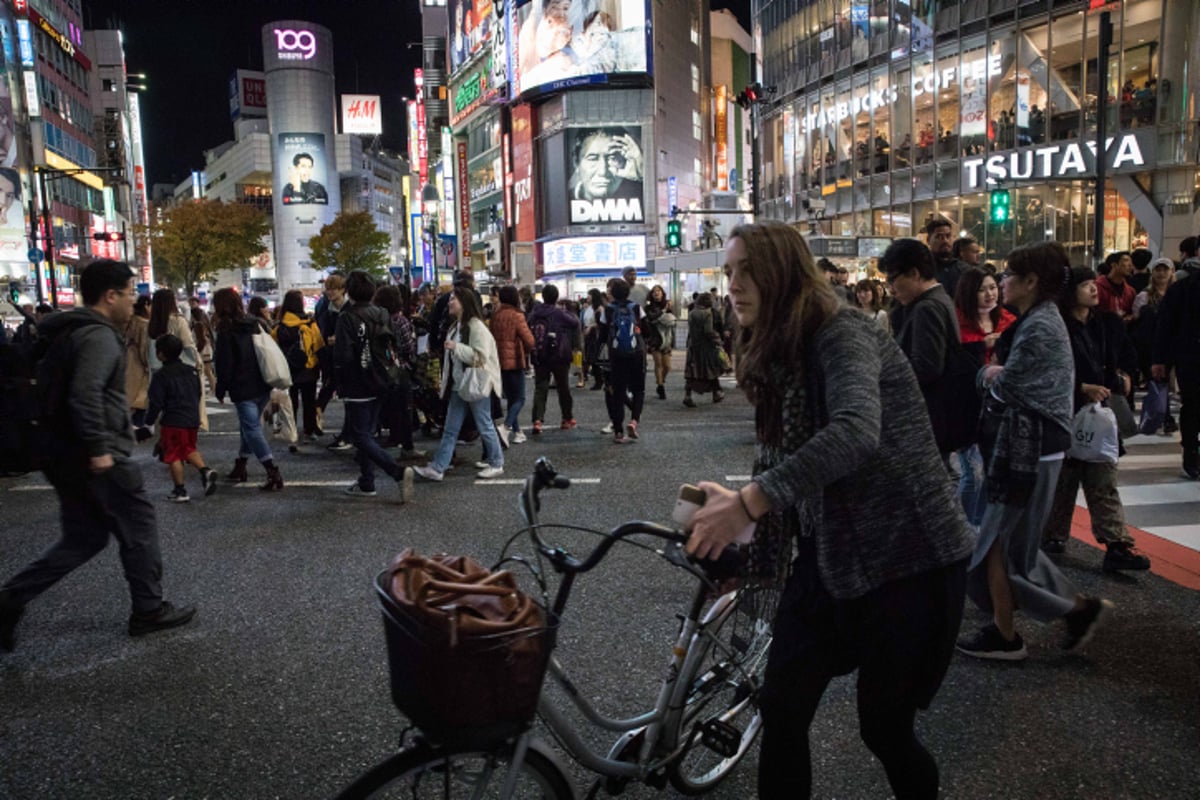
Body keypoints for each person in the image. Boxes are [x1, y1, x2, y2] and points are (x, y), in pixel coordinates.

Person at [684, 221, 972, 799]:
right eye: (729, 271)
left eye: (747, 271)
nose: (733, 284)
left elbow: (855, 432)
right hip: (832, 556)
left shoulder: (842, 332)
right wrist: (739, 519)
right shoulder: (776, 347)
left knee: (885, 728)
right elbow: (780, 459)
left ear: (783, 273)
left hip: (908, 559)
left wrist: (750, 502)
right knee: (782, 706)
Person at [0, 259, 196, 651]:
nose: (132, 301)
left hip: (62, 451)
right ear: (110, 296)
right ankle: (149, 609)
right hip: (96, 455)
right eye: (128, 293)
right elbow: (85, 394)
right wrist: (100, 448)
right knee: (138, 529)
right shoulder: (97, 336)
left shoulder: (66, 330)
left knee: (83, 538)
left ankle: (8, 601)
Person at [957, 242, 1114, 662]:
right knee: (1010, 547)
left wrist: (988, 373)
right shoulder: (1037, 320)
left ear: (1031, 282)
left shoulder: (1041, 325)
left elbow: (1010, 386)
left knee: (997, 544)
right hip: (1031, 447)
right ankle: (1057, 615)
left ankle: (1012, 634)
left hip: (1029, 449)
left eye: (1009, 276)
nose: (1002, 282)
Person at [1040, 267, 1149, 571]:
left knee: (1102, 476)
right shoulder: (1056, 326)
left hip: (1098, 414)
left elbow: (1121, 355)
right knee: (1064, 478)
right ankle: (1052, 534)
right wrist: (1079, 389)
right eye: (1085, 285)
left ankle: (1117, 544)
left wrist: (1121, 377)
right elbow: (1049, 372)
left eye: (1092, 284)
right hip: (1064, 413)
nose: (1092, 289)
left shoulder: (1104, 324)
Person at [334, 271, 416, 500]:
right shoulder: (381, 313)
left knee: (360, 436)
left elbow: (343, 356)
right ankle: (366, 482)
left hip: (357, 382)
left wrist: (338, 382)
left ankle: (397, 472)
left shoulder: (347, 317)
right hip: (383, 378)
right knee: (367, 433)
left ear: (348, 291)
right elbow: (394, 345)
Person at [413, 285, 504, 481]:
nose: (449, 302)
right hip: (459, 384)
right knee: (450, 428)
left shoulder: (476, 327)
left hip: (475, 384)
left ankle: (497, 462)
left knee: (484, 424)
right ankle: (438, 467)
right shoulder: (456, 326)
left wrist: (456, 347)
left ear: (464, 303)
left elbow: (480, 357)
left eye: (454, 298)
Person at [882, 238, 961, 459]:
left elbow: (926, 368)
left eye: (893, 279)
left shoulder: (927, 307)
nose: (891, 289)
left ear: (915, 273)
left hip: (928, 417)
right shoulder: (939, 298)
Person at [212, 287, 284, 491]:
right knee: (248, 427)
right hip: (262, 381)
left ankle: (272, 470)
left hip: (242, 386)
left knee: (251, 428)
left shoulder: (226, 330)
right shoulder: (254, 323)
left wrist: (220, 388)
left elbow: (224, 363)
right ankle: (241, 464)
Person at [140, 333, 217, 503]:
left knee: (173, 455)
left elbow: (156, 402)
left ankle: (180, 490)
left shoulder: (162, 375)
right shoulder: (192, 371)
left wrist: (148, 423)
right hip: (192, 419)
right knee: (188, 448)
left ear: (160, 354)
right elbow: (198, 393)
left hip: (174, 420)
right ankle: (206, 472)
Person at [1152, 249, 1200, 479]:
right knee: (1192, 406)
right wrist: (1160, 360)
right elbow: (1166, 326)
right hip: (1191, 358)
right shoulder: (1182, 290)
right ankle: (1191, 453)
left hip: (1188, 357)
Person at [372, 284, 422, 458]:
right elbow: (409, 348)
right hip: (401, 370)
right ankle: (407, 446)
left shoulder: (377, 320)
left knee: (389, 408)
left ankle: (392, 437)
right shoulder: (401, 321)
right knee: (405, 409)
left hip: (382, 370)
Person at [527, 284, 580, 434]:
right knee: (563, 387)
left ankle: (537, 420)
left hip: (540, 355)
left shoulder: (535, 313)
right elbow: (575, 323)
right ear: (556, 297)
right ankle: (567, 418)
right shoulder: (559, 313)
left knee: (540, 388)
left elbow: (528, 325)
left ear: (543, 296)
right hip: (559, 355)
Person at [273, 289, 325, 444]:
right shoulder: (309, 324)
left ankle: (291, 429)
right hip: (309, 368)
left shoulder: (279, 327)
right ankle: (309, 430)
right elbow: (319, 346)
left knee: (291, 401)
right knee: (309, 401)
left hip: (288, 370)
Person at [1130, 257, 1176, 432]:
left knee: (1165, 381)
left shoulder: (1176, 293)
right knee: (1157, 380)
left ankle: (1163, 414)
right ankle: (1163, 415)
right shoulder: (1144, 296)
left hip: (1171, 344)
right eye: (1158, 269)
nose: (1162, 273)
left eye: (1165, 269)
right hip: (1149, 345)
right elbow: (1136, 319)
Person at [599, 278, 646, 442]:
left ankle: (618, 432)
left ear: (613, 293)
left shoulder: (608, 310)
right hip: (636, 353)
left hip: (616, 355)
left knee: (618, 392)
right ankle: (634, 421)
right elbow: (644, 329)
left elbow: (603, 335)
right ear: (628, 292)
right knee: (638, 389)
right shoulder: (636, 308)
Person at [489, 285, 535, 444]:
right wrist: (527, 350)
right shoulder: (517, 315)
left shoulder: (495, 316)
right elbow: (529, 340)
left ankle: (517, 432)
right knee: (520, 398)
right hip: (515, 361)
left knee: (510, 398)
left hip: (499, 361)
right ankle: (506, 427)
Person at [569, 127, 644, 207]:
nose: (603, 171)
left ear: (626, 160)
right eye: (593, 158)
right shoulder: (564, 201)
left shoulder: (643, 196)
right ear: (576, 162)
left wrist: (642, 173)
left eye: (612, 158)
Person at [314, 273, 346, 446]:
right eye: (328, 289)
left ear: (342, 290)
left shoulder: (348, 308)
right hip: (331, 355)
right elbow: (322, 332)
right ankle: (318, 412)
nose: (330, 292)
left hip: (346, 357)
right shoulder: (326, 308)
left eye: (333, 289)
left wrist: (338, 338)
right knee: (330, 383)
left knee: (344, 391)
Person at [682, 292, 725, 407]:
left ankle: (688, 395)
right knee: (711, 370)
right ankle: (716, 393)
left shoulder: (692, 313)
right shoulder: (707, 313)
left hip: (693, 345)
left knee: (692, 372)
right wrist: (717, 339)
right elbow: (708, 331)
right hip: (705, 346)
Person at [643, 284, 675, 399]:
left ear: (662, 293)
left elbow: (672, 321)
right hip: (654, 338)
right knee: (659, 363)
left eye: (659, 291)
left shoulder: (668, 305)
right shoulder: (649, 307)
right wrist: (664, 310)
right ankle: (660, 386)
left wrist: (668, 309)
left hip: (666, 338)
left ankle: (661, 380)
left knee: (667, 366)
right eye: (654, 291)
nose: (656, 293)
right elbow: (651, 318)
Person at [925, 217, 969, 299]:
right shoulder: (923, 269)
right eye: (939, 237)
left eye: (948, 236)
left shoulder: (963, 269)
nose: (945, 240)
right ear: (928, 240)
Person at [125, 294, 152, 428]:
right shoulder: (144, 324)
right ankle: (137, 427)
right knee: (140, 398)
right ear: (146, 305)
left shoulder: (130, 321)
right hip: (138, 366)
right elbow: (144, 347)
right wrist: (148, 364)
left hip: (127, 360)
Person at [1096, 250, 1136, 321]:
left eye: (1131, 262)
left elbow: (1132, 313)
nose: (1130, 265)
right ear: (1114, 265)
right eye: (1126, 260)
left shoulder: (1130, 291)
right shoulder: (1098, 287)